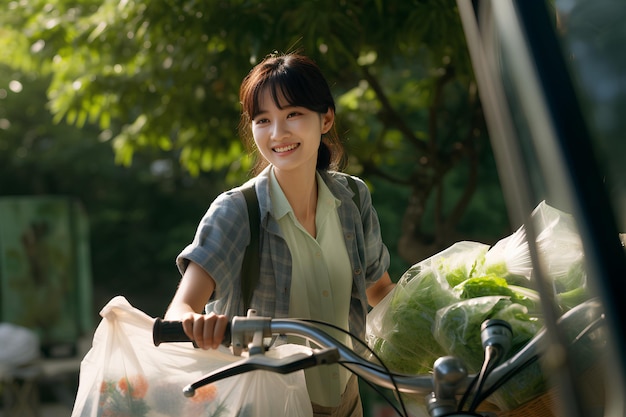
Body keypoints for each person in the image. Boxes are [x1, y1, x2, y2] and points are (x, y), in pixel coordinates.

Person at [165, 52, 395, 417]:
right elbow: (181, 310)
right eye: (263, 120)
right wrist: (197, 323)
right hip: (265, 402)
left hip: (347, 397)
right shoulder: (237, 211)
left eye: (292, 115)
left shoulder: (352, 198)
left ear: (326, 119)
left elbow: (379, 291)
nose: (278, 133)